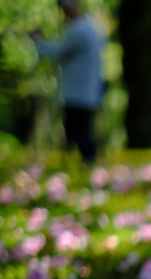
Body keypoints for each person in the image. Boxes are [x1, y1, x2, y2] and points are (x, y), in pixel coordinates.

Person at [32, 0, 105, 163]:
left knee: (79, 131)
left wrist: (37, 41)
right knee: (80, 130)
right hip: (86, 92)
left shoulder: (79, 31)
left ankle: (89, 163)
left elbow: (57, 51)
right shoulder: (90, 27)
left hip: (78, 93)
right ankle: (85, 164)